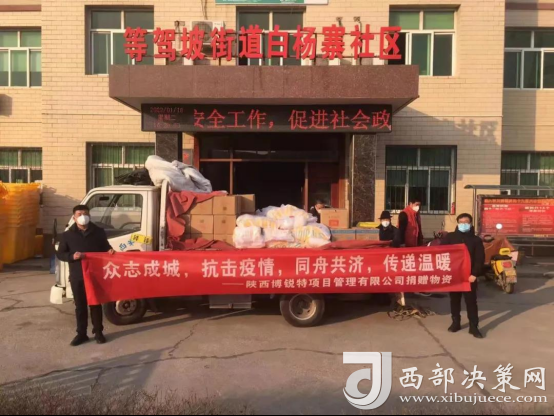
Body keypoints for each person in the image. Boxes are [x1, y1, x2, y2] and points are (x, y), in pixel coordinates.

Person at [56, 205, 115, 346]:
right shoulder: (67, 235)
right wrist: (72, 256)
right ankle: (81, 334)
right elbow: (60, 254)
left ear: (89, 216)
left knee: (95, 304)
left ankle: (98, 332)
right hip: (78, 275)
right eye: (79, 214)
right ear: (74, 217)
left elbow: (105, 247)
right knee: (80, 306)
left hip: (95, 275)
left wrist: (110, 251)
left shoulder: (98, 232)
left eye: (85, 213)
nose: (83, 216)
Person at [442, 213, 485, 339]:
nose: (463, 224)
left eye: (466, 222)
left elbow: (479, 258)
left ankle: (473, 326)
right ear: (457, 223)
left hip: (469, 276)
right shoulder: (450, 237)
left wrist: (475, 274)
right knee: (454, 300)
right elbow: (441, 253)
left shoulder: (476, 240)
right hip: (455, 275)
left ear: (470, 224)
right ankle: (455, 322)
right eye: (461, 222)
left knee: (471, 302)